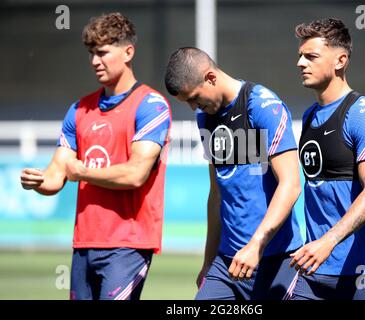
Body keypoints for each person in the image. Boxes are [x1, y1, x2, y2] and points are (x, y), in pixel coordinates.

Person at [20, 12, 171, 300]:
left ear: (128, 52)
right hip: (84, 244)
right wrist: (38, 180)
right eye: (91, 53)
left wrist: (82, 172)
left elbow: (135, 174)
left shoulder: (151, 105)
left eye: (102, 53)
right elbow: (56, 175)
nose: (94, 61)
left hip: (128, 245)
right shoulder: (79, 110)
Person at [164, 47, 303, 300]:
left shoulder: (261, 105)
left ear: (211, 77)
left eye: (195, 98)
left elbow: (291, 184)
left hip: (277, 261)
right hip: (228, 263)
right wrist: (208, 262)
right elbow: (216, 194)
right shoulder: (205, 119)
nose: (194, 107)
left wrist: (255, 245)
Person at [289, 18, 365, 300]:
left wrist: (328, 242)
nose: (301, 63)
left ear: (340, 61)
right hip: (314, 272)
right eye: (300, 55)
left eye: (311, 56)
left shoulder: (363, 116)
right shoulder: (311, 116)